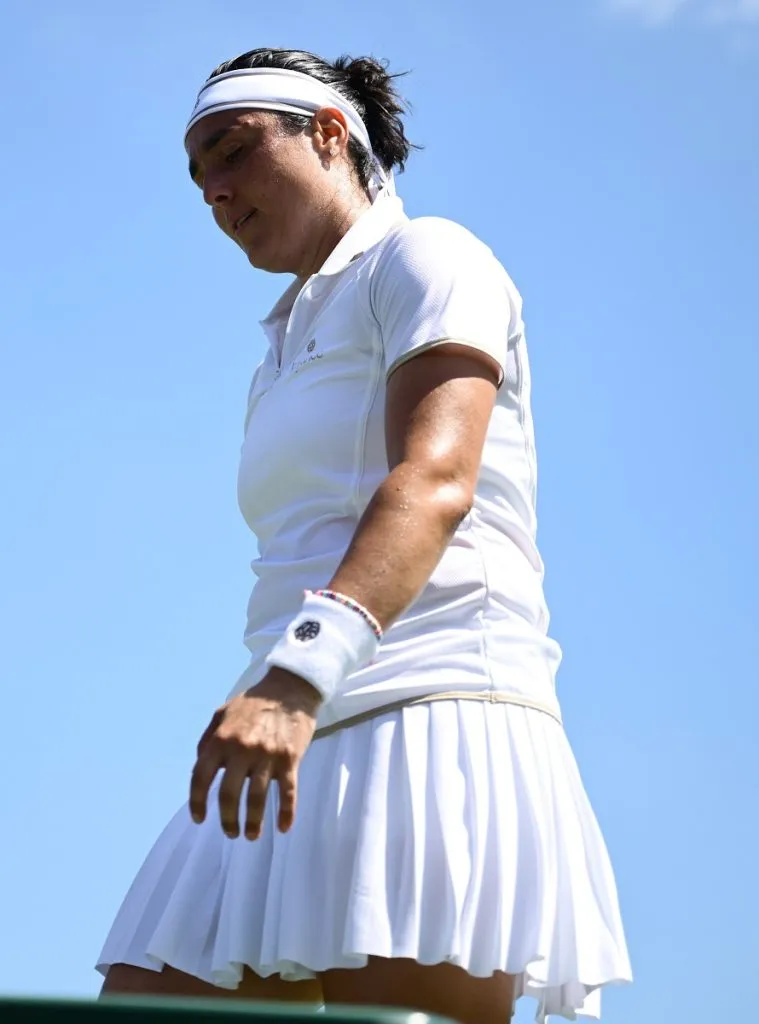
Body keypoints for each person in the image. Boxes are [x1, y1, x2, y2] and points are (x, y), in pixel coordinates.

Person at [97, 47, 632, 1024]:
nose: (214, 191)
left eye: (232, 151)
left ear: (330, 133)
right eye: (197, 176)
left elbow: (434, 481)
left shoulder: (432, 257)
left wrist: (299, 672)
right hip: (282, 739)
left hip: (429, 720)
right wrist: (286, 690)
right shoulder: (281, 342)